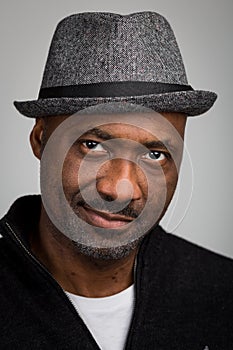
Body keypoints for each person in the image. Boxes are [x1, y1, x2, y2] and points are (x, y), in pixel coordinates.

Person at [0, 11, 232, 350]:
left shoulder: (222, 292)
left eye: (155, 155)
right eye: (92, 146)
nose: (120, 189)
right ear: (40, 139)